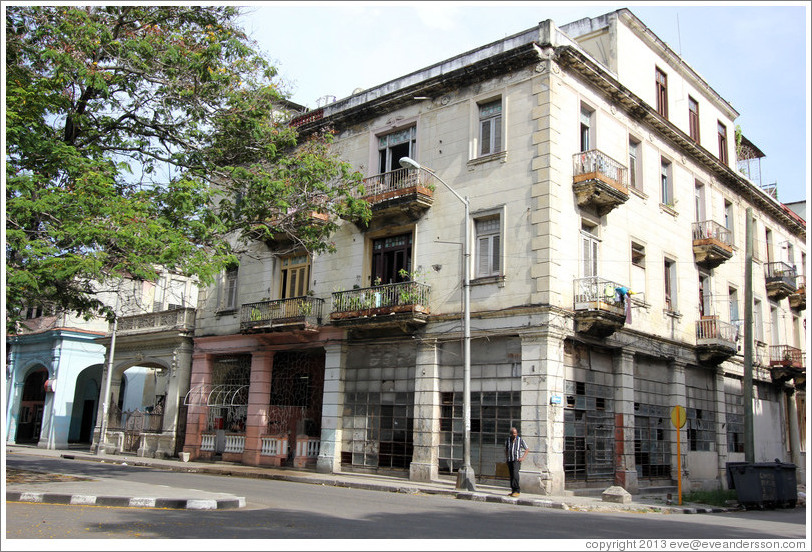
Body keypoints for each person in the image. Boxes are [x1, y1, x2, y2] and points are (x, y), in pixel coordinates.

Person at [504, 426, 529, 497]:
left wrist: (523, 457)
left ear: (517, 433)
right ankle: (513, 490)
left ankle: (517, 490)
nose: (514, 435)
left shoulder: (520, 440)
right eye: (513, 433)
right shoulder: (508, 440)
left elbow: (527, 449)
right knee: (511, 475)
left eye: (515, 433)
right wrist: (506, 458)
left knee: (515, 474)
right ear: (510, 434)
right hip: (510, 460)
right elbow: (506, 449)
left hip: (516, 460)